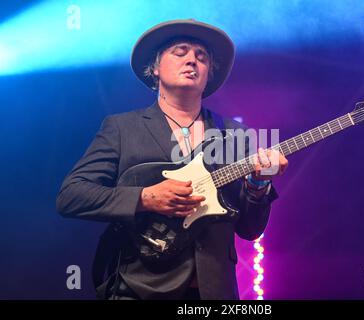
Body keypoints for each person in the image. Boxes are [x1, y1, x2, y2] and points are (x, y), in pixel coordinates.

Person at [56, 19, 288, 300]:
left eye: (202, 57)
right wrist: (145, 198)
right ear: (155, 68)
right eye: (180, 52)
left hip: (214, 292)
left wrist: (258, 184)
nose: (192, 60)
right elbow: (71, 196)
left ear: (208, 75)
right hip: (137, 289)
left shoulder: (234, 135)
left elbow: (250, 230)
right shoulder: (122, 128)